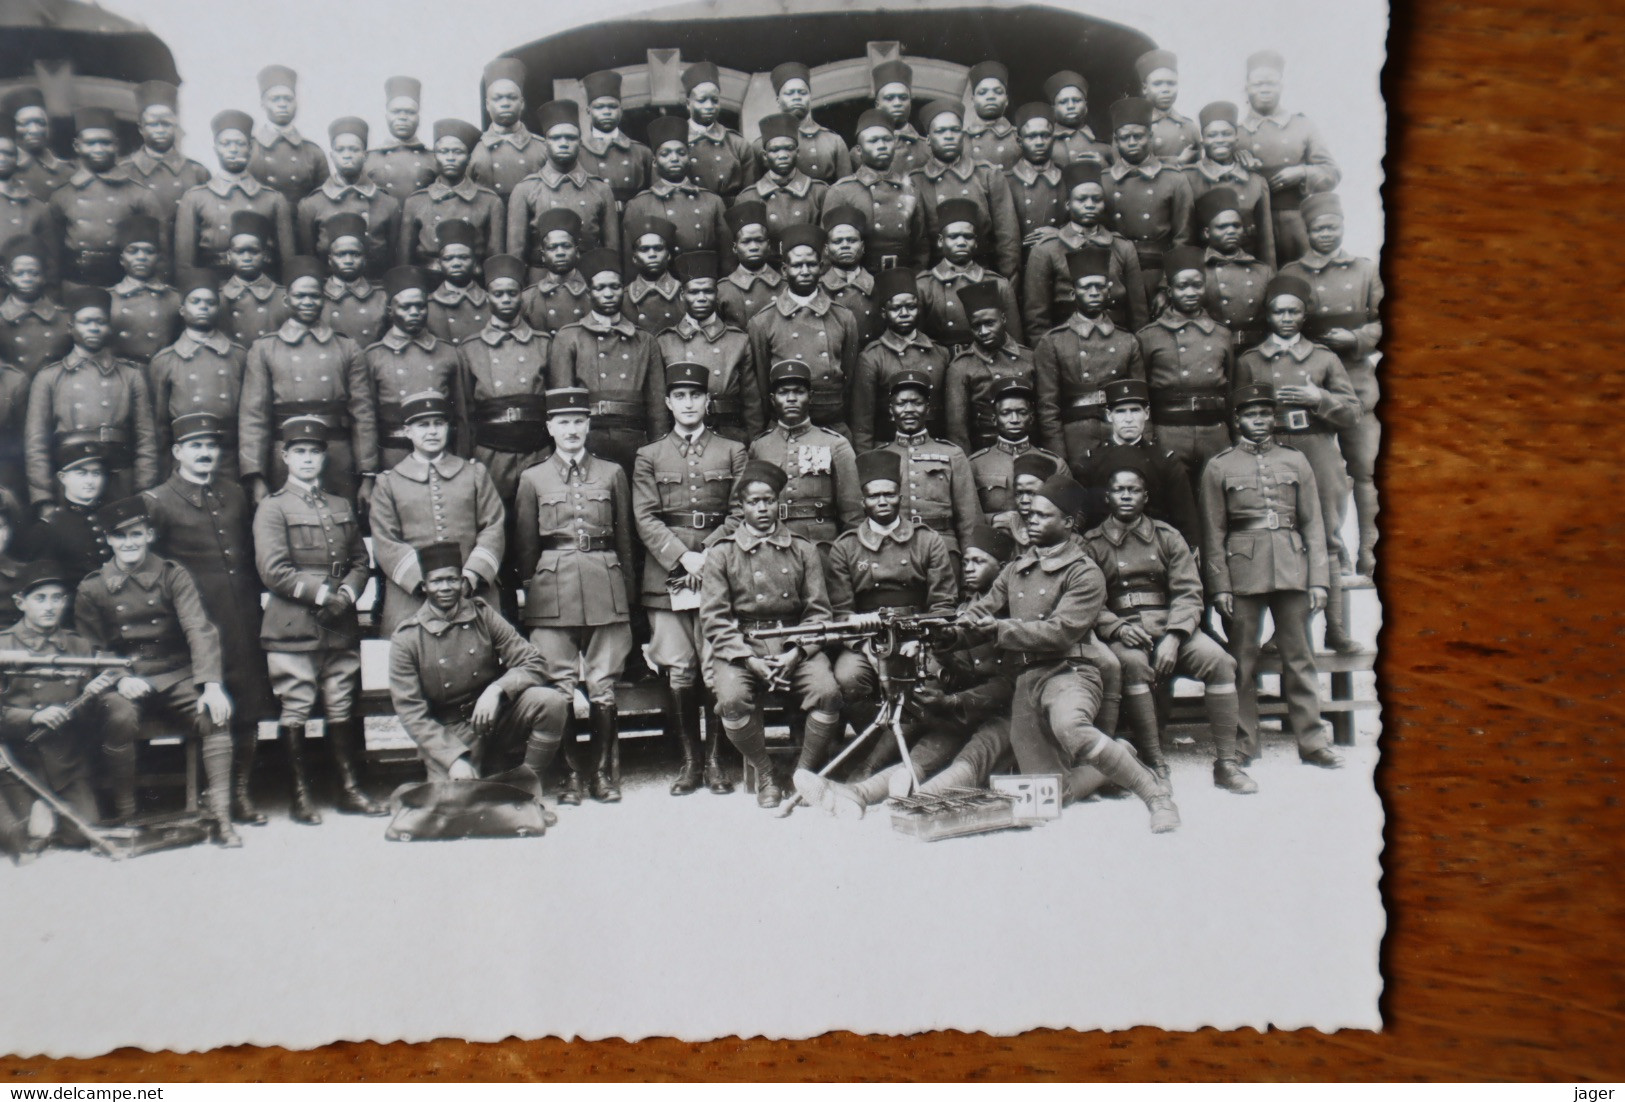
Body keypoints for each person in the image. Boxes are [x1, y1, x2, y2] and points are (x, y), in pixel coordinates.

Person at [959, 472, 1179, 831]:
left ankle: (1156, 796)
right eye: (1030, 515)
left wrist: (999, 629)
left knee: (1071, 726)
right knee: (1051, 792)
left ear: (1069, 523)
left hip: (1071, 670)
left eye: (1043, 516)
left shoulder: (1084, 573)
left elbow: (1061, 632)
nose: (1031, 520)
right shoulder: (1016, 568)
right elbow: (981, 611)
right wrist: (946, 633)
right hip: (1027, 679)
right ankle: (1119, 754)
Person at [74, 495, 238, 841]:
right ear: (108, 540)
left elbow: (199, 628)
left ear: (149, 534)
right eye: (120, 536)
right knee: (119, 717)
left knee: (215, 714)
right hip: (125, 678)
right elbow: (91, 648)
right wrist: (119, 680)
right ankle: (127, 815)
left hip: (173, 674)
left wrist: (210, 684)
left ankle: (222, 818)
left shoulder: (172, 575)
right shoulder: (92, 587)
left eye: (136, 534)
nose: (129, 543)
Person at [143, 413, 279, 825]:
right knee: (213, 707)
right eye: (195, 446)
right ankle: (210, 793)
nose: (205, 453)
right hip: (195, 624)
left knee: (250, 704)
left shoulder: (234, 494)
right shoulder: (158, 501)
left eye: (211, 446)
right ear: (178, 452)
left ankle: (238, 793)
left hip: (242, 617)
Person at [1200, 383, 1342, 771]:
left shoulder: (1296, 461)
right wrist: (1220, 586)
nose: (1258, 421)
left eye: (1264, 413)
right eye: (1250, 414)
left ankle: (1312, 741)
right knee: (1241, 661)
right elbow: (1212, 533)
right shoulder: (1219, 466)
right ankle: (1245, 742)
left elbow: (1314, 524)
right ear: (1237, 420)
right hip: (1243, 569)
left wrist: (1318, 580)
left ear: (1273, 417)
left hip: (1292, 567)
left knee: (1300, 657)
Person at [1083, 461, 1245, 788]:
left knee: (1220, 662)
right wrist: (1117, 628)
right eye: (1119, 490)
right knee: (1131, 664)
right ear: (1107, 498)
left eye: (1133, 490)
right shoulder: (1092, 544)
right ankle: (1156, 764)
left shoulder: (1168, 537)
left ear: (1145, 497)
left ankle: (1227, 763)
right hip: (1125, 630)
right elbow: (1088, 601)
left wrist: (1174, 636)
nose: (1126, 496)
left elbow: (1188, 590)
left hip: (1171, 626)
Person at [252, 415, 380, 823]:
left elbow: (361, 560)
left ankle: (348, 789)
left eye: (315, 452)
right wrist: (323, 593)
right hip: (293, 625)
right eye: (299, 452)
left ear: (324, 457)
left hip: (338, 624)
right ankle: (300, 795)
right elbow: (274, 570)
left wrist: (346, 593)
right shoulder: (272, 508)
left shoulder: (340, 505)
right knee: (298, 704)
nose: (307, 459)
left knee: (340, 701)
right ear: (285, 456)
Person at [514, 387, 637, 805]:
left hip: (605, 583)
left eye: (578, 421)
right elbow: (526, 547)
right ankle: (570, 776)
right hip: (552, 591)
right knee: (560, 684)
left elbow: (625, 540)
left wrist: (628, 597)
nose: (571, 429)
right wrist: (532, 597)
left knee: (603, 685)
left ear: (588, 425)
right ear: (549, 427)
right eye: (563, 422)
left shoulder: (612, 473)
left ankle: (602, 774)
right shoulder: (533, 478)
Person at [699, 459, 843, 809]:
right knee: (730, 700)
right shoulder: (721, 553)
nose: (762, 508)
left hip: (794, 642)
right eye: (753, 502)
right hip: (742, 645)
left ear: (779, 502)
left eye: (768, 500)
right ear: (741, 506)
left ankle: (802, 776)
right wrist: (748, 659)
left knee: (827, 692)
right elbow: (715, 618)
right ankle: (766, 773)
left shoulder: (803, 549)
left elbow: (818, 611)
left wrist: (796, 652)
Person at [632, 362, 746, 795]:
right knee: (680, 671)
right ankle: (690, 761)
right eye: (679, 396)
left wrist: (708, 554)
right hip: (667, 576)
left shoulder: (732, 450)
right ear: (668, 403)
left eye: (695, 395)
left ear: (707, 401)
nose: (688, 403)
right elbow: (645, 516)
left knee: (715, 669)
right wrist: (682, 556)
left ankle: (717, 761)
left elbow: (739, 513)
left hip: (716, 573)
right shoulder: (649, 455)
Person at [1234, 273, 1361, 652]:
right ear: (1268, 315)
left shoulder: (1324, 358)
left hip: (1316, 446)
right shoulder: (1251, 360)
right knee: (1280, 537)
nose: (1286, 318)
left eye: (1294, 311)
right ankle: (1283, 633)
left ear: (1305, 315)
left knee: (1327, 537)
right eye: (1278, 311)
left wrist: (1318, 397)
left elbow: (1352, 413)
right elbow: (1235, 413)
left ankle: (1334, 628)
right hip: (1271, 450)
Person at [388, 541, 570, 795]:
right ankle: (481, 775)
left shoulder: (483, 615)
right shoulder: (407, 638)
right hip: (452, 731)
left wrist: (497, 689)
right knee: (456, 805)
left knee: (551, 702)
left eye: (452, 580)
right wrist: (452, 758)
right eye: (437, 581)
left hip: (496, 715)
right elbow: (411, 712)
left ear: (462, 582)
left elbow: (534, 662)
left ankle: (526, 790)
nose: (446, 588)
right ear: (425, 585)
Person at [824, 448, 956, 775]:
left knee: (931, 680)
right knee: (848, 678)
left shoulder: (928, 541)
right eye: (874, 496)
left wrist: (924, 641)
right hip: (865, 636)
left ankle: (901, 759)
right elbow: (841, 613)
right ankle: (877, 753)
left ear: (900, 497)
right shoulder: (846, 546)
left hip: (919, 635)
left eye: (889, 494)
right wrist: (865, 646)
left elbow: (943, 604)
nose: (882, 501)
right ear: (862, 501)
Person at [0, 560, 135, 859]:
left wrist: (92, 695)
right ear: (20, 602)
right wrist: (32, 716)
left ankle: (47, 814)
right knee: (18, 835)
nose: (50, 606)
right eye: (40, 598)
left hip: (65, 763)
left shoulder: (79, 647)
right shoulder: (4, 645)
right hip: (18, 761)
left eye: (57, 598)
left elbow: (88, 715)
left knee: (81, 833)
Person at [1280, 192, 1383, 576]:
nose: (1325, 234)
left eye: (1332, 227)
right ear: (1306, 231)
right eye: (1318, 228)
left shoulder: (1364, 270)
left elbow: (1386, 321)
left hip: (1357, 386)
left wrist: (1356, 340)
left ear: (1343, 226)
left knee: (1366, 471)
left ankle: (1370, 552)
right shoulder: (1292, 272)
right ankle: (1331, 555)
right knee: (1324, 478)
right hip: (1311, 385)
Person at [239, 255, 378, 508]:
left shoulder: (347, 347)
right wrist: (256, 475)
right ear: (286, 299)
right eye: (299, 296)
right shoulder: (264, 348)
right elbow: (253, 416)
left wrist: (367, 473)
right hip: (285, 454)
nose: (307, 302)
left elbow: (363, 414)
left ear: (323, 299)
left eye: (314, 296)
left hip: (337, 453)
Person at [368, 389, 503, 635]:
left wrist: (471, 575)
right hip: (411, 595)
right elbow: (385, 539)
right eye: (422, 425)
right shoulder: (389, 482)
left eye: (438, 424)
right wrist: (425, 583)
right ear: (407, 431)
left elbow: (493, 526)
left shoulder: (474, 474)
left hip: (470, 591)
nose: (432, 431)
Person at [26, 286, 159, 513]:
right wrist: (44, 499)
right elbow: (35, 444)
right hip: (70, 481)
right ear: (71, 327)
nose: (94, 328)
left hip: (119, 479)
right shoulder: (49, 377)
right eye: (86, 322)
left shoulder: (130, 375)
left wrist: (144, 490)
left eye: (100, 322)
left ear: (109, 327)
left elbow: (146, 439)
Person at [546, 247, 668, 478]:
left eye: (614, 287)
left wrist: (658, 451)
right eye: (600, 288)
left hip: (634, 441)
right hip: (589, 440)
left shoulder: (645, 340)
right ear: (589, 293)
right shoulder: (569, 337)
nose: (608, 293)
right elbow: (562, 405)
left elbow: (657, 408)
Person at [1033, 246, 1147, 466]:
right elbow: (1048, 407)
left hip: (1119, 434)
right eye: (1086, 288)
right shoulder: (1053, 341)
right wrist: (1058, 455)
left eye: (1099, 287)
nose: (1094, 292)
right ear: (1073, 294)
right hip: (1076, 438)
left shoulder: (1127, 340)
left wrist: (1144, 445)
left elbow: (1140, 399)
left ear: (1109, 291)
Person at [744, 224, 860, 438]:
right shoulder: (763, 321)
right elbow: (761, 385)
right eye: (797, 265)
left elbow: (851, 380)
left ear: (821, 267)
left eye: (811, 265)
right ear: (785, 271)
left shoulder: (843, 317)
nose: (805, 271)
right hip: (784, 428)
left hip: (832, 425)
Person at [1136, 244, 1236, 487]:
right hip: (1169, 433)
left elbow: (1231, 389)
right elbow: (1142, 394)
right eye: (1182, 286)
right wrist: (1148, 439)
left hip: (1214, 433)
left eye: (1197, 285)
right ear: (1169, 291)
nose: (1191, 292)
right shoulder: (1149, 336)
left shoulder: (1222, 335)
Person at [1236, 50, 1340, 265]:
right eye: (1258, 84)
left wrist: (1302, 172)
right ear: (1246, 88)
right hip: (1251, 225)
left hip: (1295, 223)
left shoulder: (1302, 126)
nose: (1265, 89)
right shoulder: (1234, 134)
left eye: (1271, 83)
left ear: (1281, 87)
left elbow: (1332, 173)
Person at [1021, 160, 1148, 336]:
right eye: (1081, 199)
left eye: (1096, 200)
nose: (1089, 205)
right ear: (1068, 205)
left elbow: (1139, 314)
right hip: (1066, 345)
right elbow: (1037, 320)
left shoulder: (1123, 248)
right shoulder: (1046, 250)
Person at [1073, 379, 1200, 551]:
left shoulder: (1165, 461)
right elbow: (1082, 519)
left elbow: (1185, 520)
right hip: (1104, 552)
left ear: (1146, 413)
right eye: (1120, 412)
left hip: (1155, 551)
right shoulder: (1091, 462)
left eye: (1135, 411)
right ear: (1109, 416)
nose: (1128, 419)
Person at [747, 359, 861, 548]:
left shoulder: (835, 444)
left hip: (820, 544)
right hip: (771, 542)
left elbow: (853, 513)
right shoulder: (759, 446)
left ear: (811, 397)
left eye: (799, 392)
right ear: (772, 399)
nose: (791, 398)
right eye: (783, 393)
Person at [364, 265, 469, 470]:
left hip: (441, 456)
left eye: (420, 306)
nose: (414, 313)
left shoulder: (448, 353)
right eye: (405, 307)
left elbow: (463, 415)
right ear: (390, 310)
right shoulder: (374, 356)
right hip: (393, 456)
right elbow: (367, 419)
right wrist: (370, 469)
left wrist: (463, 458)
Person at [48, 108, 165, 291]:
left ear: (116, 145)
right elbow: (52, 253)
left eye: (105, 143)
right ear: (77, 146)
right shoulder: (61, 196)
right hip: (76, 283)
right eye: (90, 143)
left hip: (121, 286)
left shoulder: (139, 194)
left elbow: (160, 250)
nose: (98, 149)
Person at [174, 110, 295, 279]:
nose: (233, 150)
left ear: (251, 148)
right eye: (226, 144)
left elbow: (287, 263)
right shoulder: (195, 198)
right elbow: (184, 264)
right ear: (216, 149)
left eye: (240, 144)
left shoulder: (273, 199)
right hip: (213, 288)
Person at [909, 99, 1020, 281]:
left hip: (982, 276)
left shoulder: (987, 175)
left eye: (955, 130)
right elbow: (917, 246)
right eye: (941, 131)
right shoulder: (916, 181)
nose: (949, 136)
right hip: (934, 280)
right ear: (928, 139)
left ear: (963, 135)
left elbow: (1007, 238)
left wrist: (1007, 280)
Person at [657, 251, 761, 444]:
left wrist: (753, 442)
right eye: (694, 292)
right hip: (681, 437)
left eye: (708, 291)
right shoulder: (665, 342)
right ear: (682, 295)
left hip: (729, 434)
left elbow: (752, 402)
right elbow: (659, 405)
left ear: (717, 294)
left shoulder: (738, 340)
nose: (701, 298)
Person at [877, 370, 981, 561]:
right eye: (901, 404)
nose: (909, 409)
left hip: (944, 549)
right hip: (893, 551)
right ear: (891, 410)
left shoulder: (952, 454)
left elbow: (969, 520)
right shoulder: (879, 456)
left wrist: (971, 562)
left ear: (928, 409)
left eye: (917, 403)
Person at [1104, 97, 1195, 304]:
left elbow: (1184, 239)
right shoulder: (1104, 181)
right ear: (1116, 140)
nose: (1132, 142)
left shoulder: (1174, 179)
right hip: (1116, 275)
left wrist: (1167, 285)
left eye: (1139, 136)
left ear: (1151, 136)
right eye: (1125, 137)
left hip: (1157, 272)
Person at [507, 99, 619, 263]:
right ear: (545, 144)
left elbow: (611, 250)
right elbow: (516, 253)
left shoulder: (600, 189)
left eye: (570, 138)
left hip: (587, 278)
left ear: (580, 143)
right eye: (556, 138)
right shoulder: (525, 189)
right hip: (540, 280)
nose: (563, 144)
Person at [852, 268, 949, 451]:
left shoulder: (940, 353)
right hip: (889, 449)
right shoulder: (872, 357)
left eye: (911, 307)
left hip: (934, 450)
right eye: (896, 308)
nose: (904, 313)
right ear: (883, 312)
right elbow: (862, 424)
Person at [825, 111, 931, 274]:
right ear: (859, 150)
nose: (881, 145)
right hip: (860, 281)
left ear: (894, 144)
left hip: (902, 282)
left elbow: (920, 246)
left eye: (887, 140)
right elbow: (828, 247)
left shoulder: (910, 190)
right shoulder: (842, 191)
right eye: (873, 141)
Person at [295, 117, 401, 279]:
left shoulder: (388, 204)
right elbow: (309, 258)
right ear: (332, 156)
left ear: (365, 155)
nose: (347, 155)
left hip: (375, 288)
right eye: (340, 150)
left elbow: (393, 257)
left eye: (354, 149)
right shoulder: (311, 205)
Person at [913, 198, 1023, 350]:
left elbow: (1014, 343)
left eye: (968, 237)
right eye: (953, 237)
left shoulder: (998, 284)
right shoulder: (923, 285)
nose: (961, 242)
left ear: (976, 242)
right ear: (940, 241)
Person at [620, 116, 730, 263]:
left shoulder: (712, 201)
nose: (674, 158)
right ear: (654, 161)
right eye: (665, 154)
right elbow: (630, 258)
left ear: (689, 158)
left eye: (681, 153)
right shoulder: (639, 205)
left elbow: (727, 255)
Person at [399, 119, 506, 268]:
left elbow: (495, 257)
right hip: (427, 280)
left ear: (469, 158)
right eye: (443, 152)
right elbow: (405, 260)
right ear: (434, 156)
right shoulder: (416, 201)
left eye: (458, 152)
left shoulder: (489, 201)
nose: (450, 157)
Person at [945, 281, 1035, 453]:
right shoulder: (961, 366)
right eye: (976, 326)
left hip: (1028, 449)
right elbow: (958, 432)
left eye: (989, 323)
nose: (984, 331)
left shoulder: (1029, 358)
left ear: (1003, 319)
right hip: (983, 452)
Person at [1184, 102, 1275, 268]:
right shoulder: (1188, 178)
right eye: (1212, 135)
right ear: (1203, 140)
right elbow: (1183, 237)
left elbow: (1266, 242)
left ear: (1236, 138)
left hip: (1247, 274)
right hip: (1204, 273)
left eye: (1226, 134)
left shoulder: (1255, 182)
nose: (1220, 140)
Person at [967, 380, 1063, 526]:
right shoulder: (975, 464)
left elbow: (1074, 511)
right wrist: (992, 519)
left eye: (1021, 413)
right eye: (1006, 413)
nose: (1014, 420)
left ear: (1031, 418)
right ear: (994, 419)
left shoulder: (1055, 463)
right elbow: (965, 514)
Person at [119, 81, 211, 233]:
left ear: (175, 125)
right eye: (153, 124)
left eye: (166, 124)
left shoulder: (197, 172)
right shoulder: (125, 171)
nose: (160, 130)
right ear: (141, 128)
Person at [19, 439, 111, 588]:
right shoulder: (48, 528)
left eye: (96, 473)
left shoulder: (110, 517)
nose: (90, 481)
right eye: (81, 473)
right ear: (63, 478)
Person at [1195, 186, 1273, 350]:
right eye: (1222, 227)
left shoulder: (1263, 271)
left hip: (1253, 350)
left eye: (1236, 226)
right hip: (1210, 349)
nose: (1230, 231)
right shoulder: (1196, 270)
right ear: (1207, 232)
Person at [754, 63, 850, 184]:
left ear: (810, 97)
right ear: (778, 100)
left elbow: (846, 189)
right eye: (789, 93)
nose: (796, 97)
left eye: (802, 92)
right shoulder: (761, 145)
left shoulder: (833, 141)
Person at [737, 114, 828, 240]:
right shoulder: (748, 197)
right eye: (775, 150)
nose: (783, 155)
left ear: (797, 152)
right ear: (764, 156)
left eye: (789, 148)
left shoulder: (819, 192)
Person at [248, 65, 329, 205]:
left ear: (296, 103)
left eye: (288, 99)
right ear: (263, 104)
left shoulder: (313, 152)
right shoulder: (249, 149)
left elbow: (323, 203)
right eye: (275, 99)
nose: (282, 104)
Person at [469, 58, 547, 203]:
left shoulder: (542, 148)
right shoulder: (474, 150)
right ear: (487, 104)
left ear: (522, 103)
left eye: (511, 98)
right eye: (498, 98)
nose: (505, 103)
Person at [107, 215, 180, 367]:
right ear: (122, 259)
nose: (141, 257)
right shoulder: (109, 298)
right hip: (123, 375)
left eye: (149, 251)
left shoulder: (174, 298)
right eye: (133, 251)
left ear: (159, 258)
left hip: (160, 371)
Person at [574, 70, 654, 208]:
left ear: (621, 110)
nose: (606, 112)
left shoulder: (641, 152)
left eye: (612, 106)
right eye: (599, 107)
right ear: (588, 111)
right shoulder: (578, 153)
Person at [214, 211, 290, 348]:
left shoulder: (283, 297)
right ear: (229, 256)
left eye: (253, 251)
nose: (247, 257)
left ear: (265, 255)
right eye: (239, 251)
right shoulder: (218, 297)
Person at [680, 62, 753, 201]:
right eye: (702, 100)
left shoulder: (737, 144)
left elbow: (750, 194)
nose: (709, 106)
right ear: (688, 104)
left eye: (714, 100)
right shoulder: (676, 141)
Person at [0, 236, 68, 377]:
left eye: (34, 273)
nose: (26, 279)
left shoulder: (63, 319)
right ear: (6, 277)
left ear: (44, 276)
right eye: (19, 273)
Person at [316, 212, 387, 344]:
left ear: (365, 259)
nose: (348, 260)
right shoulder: (316, 296)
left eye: (355, 254)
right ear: (330, 260)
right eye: (341, 254)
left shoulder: (381, 298)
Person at [850, 60, 930, 175]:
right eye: (889, 98)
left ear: (910, 102)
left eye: (903, 97)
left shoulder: (927, 149)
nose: (897, 103)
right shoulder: (859, 154)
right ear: (877, 105)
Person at [364, 76, 437, 203]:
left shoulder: (433, 159)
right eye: (396, 111)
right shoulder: (368, 159)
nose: (402, 117)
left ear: (418, 117)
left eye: (410, 112)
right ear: (387, 116)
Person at [518, 209, 590, 335]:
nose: (560, 253)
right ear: (543, 255)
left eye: (566, 246)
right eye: (552, 247)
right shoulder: (528, 299)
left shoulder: (592, 295)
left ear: (577, 252)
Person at [1005, 104, 1065, 247]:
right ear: (1020, 141)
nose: (1039, 143)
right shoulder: (1006, 181)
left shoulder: (1067, 178)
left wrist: (1061, 234)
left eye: (1045, 135)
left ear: (1053, 139)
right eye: (1031, 137)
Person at [817, 205, 879, 343]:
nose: (845, 245)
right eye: (838, 241)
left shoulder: (878, 287)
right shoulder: (817, 289)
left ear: (862, 247)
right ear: (826, 250)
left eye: (852, 240)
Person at [716, 201, 781, 329]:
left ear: (768, 246)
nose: (754, 247)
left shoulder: (784, 285)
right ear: (735, 248)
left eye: (759, 240)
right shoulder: (723, 290)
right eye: (746, 242)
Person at [425, 221, 491, 345]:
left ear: (475, 262)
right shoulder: (428, 305)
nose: (456, 263)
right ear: (439, 264)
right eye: (448, 258)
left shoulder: (490, 301)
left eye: (463, 257)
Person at [7, 89, 75, 204]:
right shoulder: (7, 170)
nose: (34, 130)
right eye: (24, 123)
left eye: (40, 122)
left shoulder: (67, 171)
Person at [1134, 50, 1200, 165]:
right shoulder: (1133, 126)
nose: (1165, 89)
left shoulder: (1189, 127)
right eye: (1157, 84)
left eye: (1171, 83)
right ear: (1145, 88)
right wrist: (1177, 161)